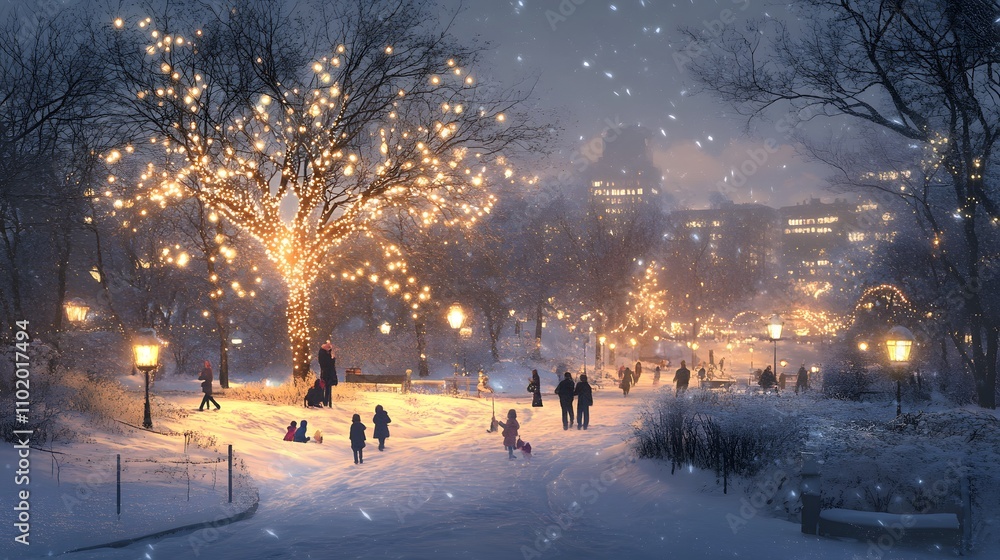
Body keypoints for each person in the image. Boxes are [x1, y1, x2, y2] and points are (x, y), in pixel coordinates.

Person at [318, 342, 338, 407]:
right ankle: (326, 402)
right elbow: (328, 363)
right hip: (326, 373)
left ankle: (327, 402)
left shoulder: (325, 353)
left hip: (327, 373)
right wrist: (333, 359)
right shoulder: (323, 354)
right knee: (326, 388)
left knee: (326, 388)